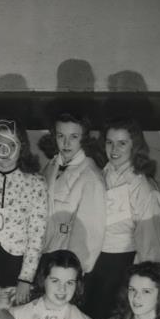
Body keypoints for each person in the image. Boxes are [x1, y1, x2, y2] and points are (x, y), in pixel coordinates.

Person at [83, 118, 160, 319]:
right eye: (109, 142)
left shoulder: (143, 187)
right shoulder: (102, 173)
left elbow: (150, 244)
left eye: (122, 143)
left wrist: (144, 284)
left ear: (134, 146)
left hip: (119, 264)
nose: (114, 149)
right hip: (93, 260)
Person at [0, 117, 48, 305]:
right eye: (0, 144)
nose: (5, 150)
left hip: (17, 262)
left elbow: (37, 234)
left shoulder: (35, 182)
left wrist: (26, 278)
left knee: (13, 317)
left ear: (21, 147)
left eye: (12, 144)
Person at [41, 112, 107, 277]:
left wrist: (76, 271)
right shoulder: (51, 165)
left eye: (74, 137)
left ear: (83, 138)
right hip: (44, 254)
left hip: (67, 262)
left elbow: (90, 233)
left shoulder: (90, 176)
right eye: (60, 136)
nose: (66, 143)